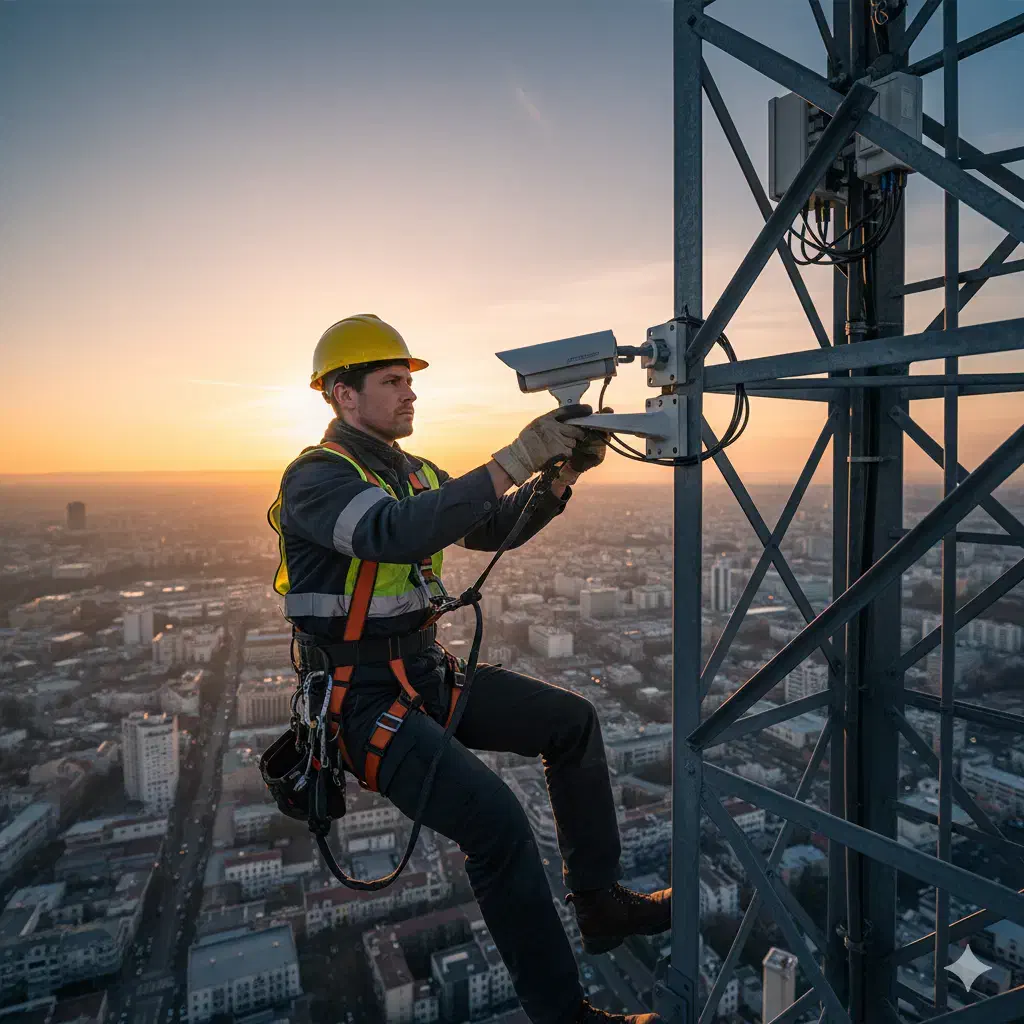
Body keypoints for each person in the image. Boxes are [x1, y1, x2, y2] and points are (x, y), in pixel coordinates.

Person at [269, 314, 669, 1024]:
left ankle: (600, 904)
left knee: (571, 724)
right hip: (357, 702)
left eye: (410, 382)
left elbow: (490, 528)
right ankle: (560, 1015)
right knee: (497, 826)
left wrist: (561, 472)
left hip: (421, 673)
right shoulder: (318, 478)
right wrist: (516, 456)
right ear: (342, 395)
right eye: (392, 382)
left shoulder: (414, 472)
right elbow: (392, 533)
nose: (409, 395)